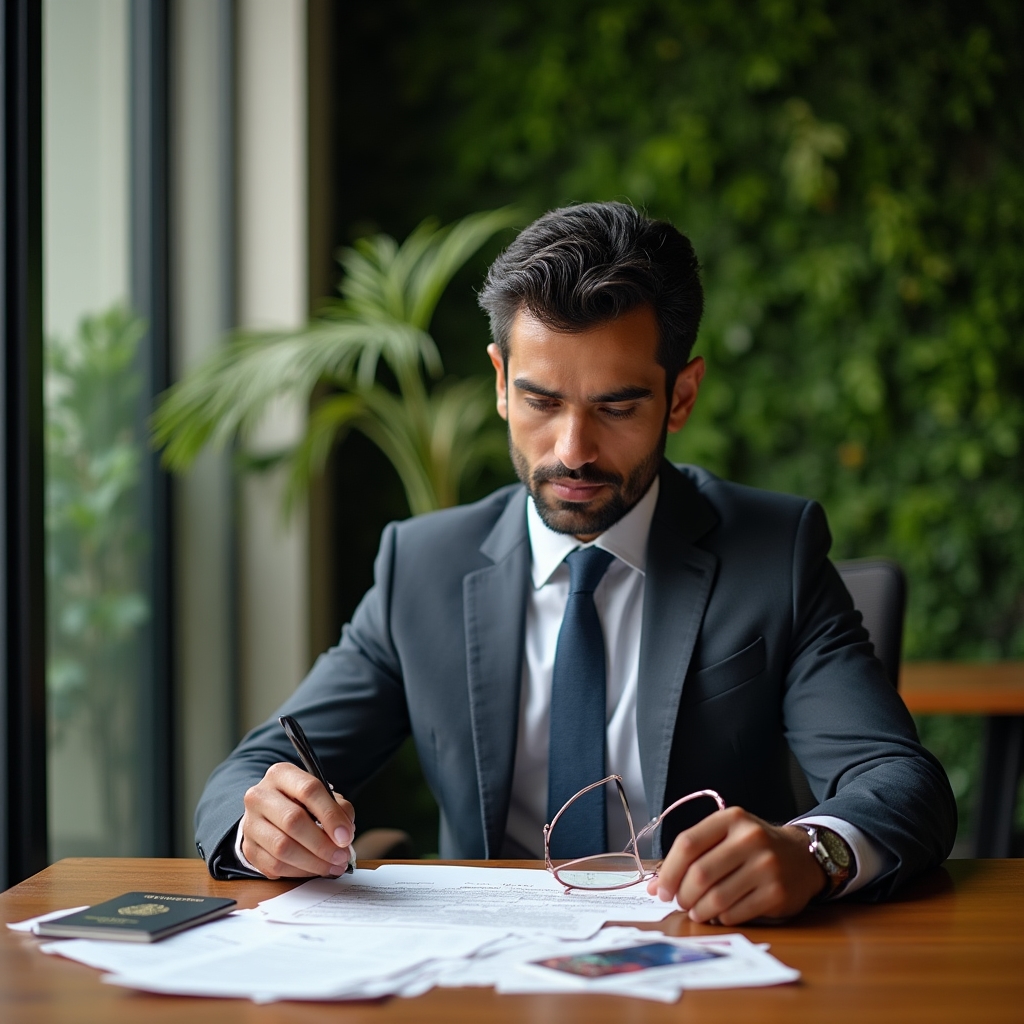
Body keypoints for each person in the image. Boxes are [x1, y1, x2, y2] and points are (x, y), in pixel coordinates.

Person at [195, 202, 956, 924]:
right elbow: (247, 774)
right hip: (483, 975)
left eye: (616, 408)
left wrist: (812, 849)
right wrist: (262, 822)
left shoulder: (773, 554)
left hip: (703, 959)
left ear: (681, 395)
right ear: (499, 382)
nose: (572, 451)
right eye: (541, 401)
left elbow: (898, 782)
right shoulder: (420, 567)